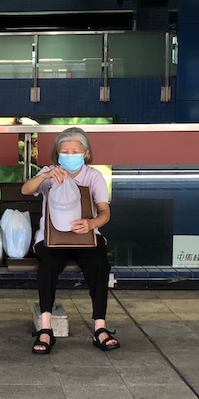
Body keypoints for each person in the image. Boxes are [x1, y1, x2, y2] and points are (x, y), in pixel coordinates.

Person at [21, 127, 119, 354]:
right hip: (52, 239)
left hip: (86, 237)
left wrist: (91, 224)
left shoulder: (93, 176)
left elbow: (104, 212)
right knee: (48, 266)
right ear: (58, 153)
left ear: (85, 153)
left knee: (99, 265)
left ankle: (100, 327)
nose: (70, 155)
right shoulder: (50, 172)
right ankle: (46, 328)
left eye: (75, 151)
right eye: (65, 151)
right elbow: (26, 190)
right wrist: (44, 176)